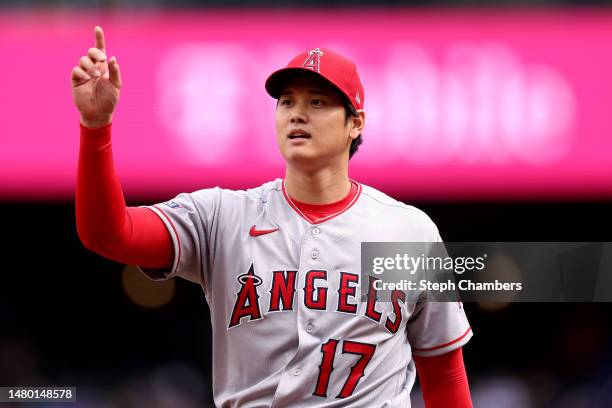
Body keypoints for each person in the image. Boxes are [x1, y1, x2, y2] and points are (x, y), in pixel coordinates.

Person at [72, 26, 473, 407]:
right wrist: (96, 127)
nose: (297, 114)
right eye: (287, 102)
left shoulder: (407, 231)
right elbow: (109, 234)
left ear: (356, 122)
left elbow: (444, 376)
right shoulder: (223, 216)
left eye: (317, 101)